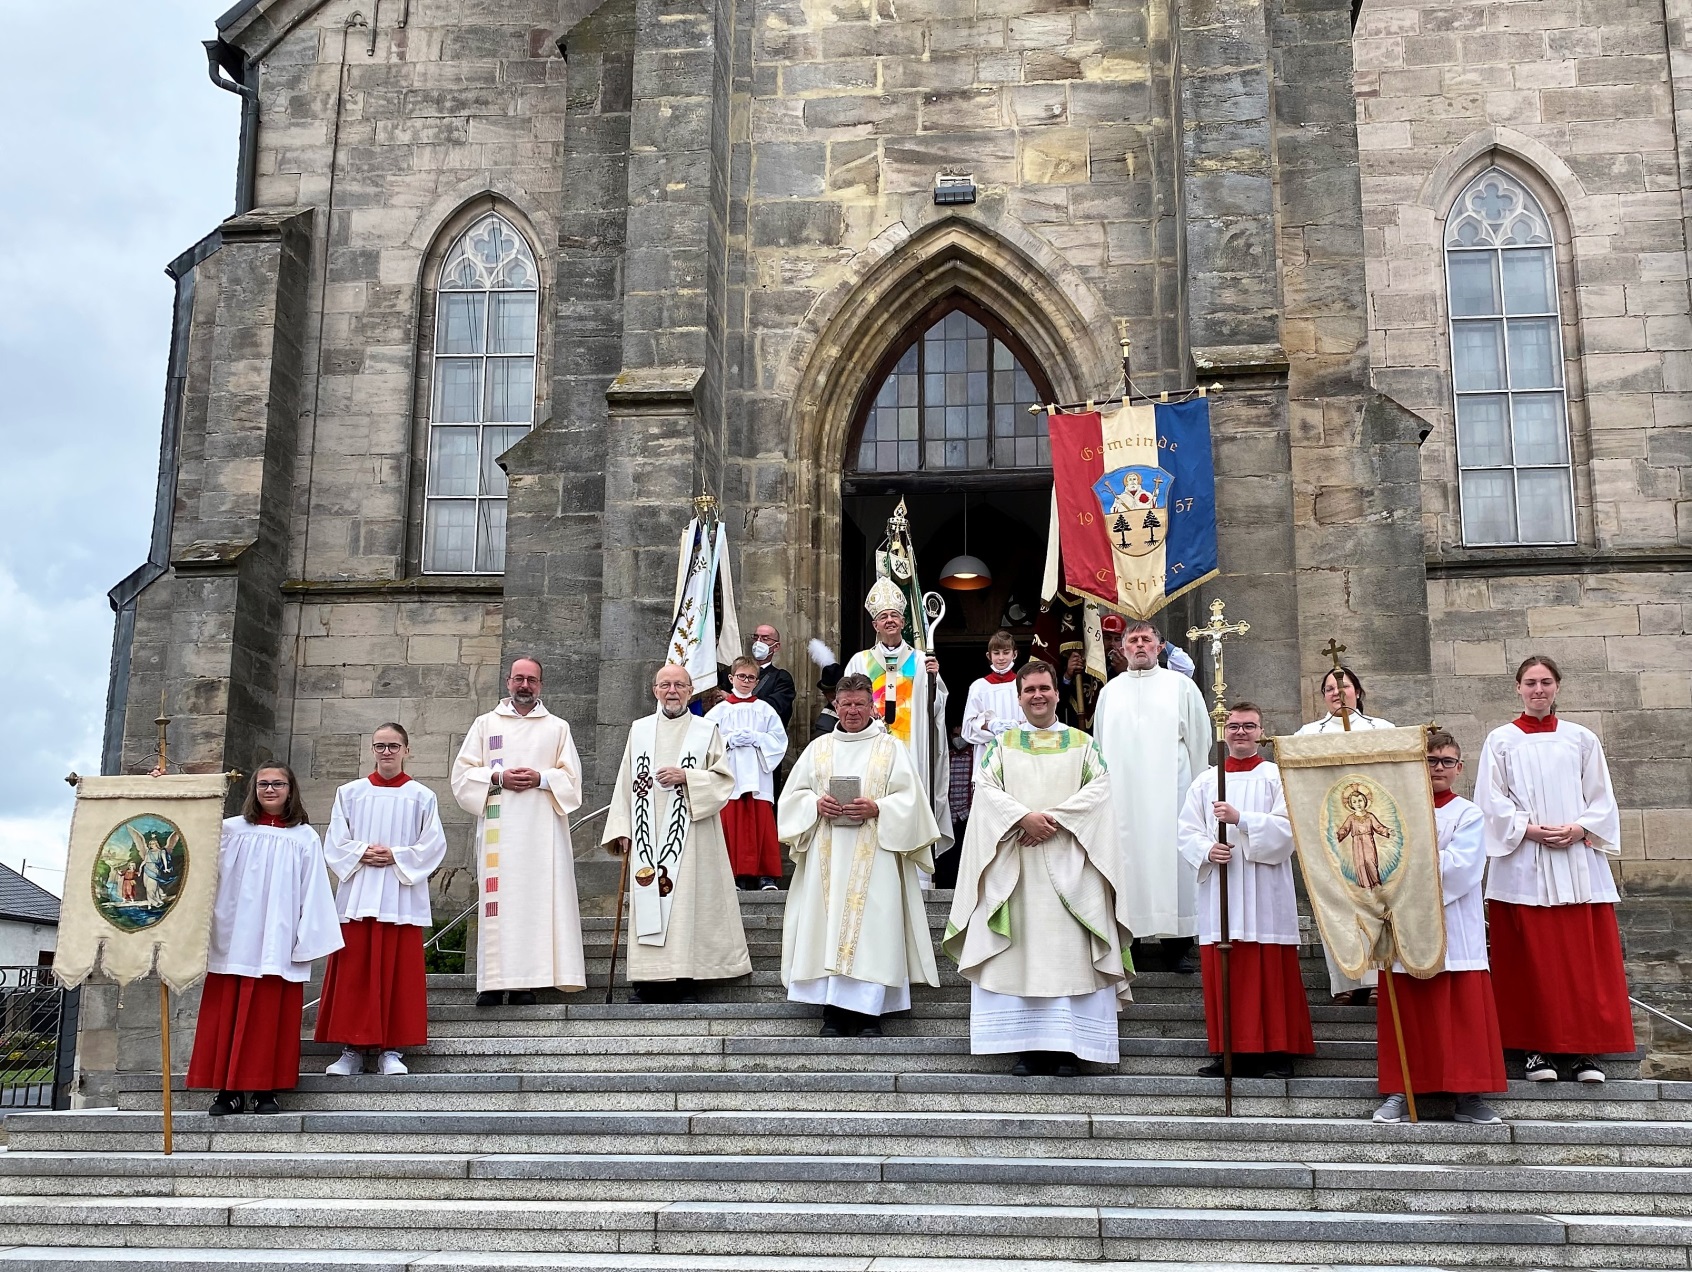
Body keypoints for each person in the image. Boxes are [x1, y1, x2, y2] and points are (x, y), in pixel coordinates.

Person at [945, 660, 1132, 1077]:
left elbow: (1099, 791)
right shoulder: (1002, 745)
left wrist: (1051, 820)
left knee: (1070, 956)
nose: (1038, 696)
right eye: (1029, 690)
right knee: (1022, 955)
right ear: (1019, 697)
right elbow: (986, 790)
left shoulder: (1082, 743)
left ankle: (1071, 1049)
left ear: (1056, 692)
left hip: (1072, 862)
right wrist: (1022, 818)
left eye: (1044, 688)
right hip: (1018, 867)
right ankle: (1027, 1047)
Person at [1476, 656, 1632, 1085]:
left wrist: (1581, 827)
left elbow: (1601, 796)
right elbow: (1491, 800)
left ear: (1557, 687)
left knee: (1582, 960)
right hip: (1524, 861)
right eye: (1530, 683)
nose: (1538, 689)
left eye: (1545, 682)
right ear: (1518, 688)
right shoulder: (1501, 740)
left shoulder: (1581, 739)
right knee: (1530, 961)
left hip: (1577, 858)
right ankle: (1534, 1048)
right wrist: (1527, 830)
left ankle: (1584, 1051)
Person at [777, 673, 942, 1036]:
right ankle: (833, 1013)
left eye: (859, 704)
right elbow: (792, 798)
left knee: (873, 930)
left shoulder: (891, 748)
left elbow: (911, 801)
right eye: (846, 704)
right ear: (835, 706)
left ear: (872, 706)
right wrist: (815, 804)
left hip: (876, 854)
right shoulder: (818, 749)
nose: (852, 711)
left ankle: (869, 1014)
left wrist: (879, 808)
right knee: (827, 925)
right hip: (827, 852)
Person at [184, 764, 343, 1116]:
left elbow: (314, 890)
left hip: (278, 939)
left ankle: (266, 1090)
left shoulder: (303, 837)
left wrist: (307, 940)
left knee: (271, 1018)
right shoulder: (229, 831)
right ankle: (227, 1092)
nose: (270, 789)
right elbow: (190, 848)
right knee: (228, 1014)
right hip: (234, 935)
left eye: (278, 784)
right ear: (254, 789)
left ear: (291, 789)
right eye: (263, 784)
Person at [1373, 730, 1506, 1124]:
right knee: (1409, 1010)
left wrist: (1410, 862)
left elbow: (1463, 867)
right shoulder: (1394, 812)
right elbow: (1381, 861)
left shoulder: (1468, 813)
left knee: (1462, 1013)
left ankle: (1469, 1095)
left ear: (1459, 768)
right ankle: (1400, 1090)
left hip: (1454, 924)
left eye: (1447, 761)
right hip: (1405, 922)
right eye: (1431, 761)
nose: (1438, 768)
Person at [1176, 702, 1312, 1079]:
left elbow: (1291, 828)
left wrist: (1243, 820)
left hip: (1265, 890)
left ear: (1261, 731)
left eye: (1248, 726)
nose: (1240, 732)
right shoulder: (1206, 780)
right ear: (1224, 732)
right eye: (1234, 726)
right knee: (1226, 970)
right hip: (1222, 886)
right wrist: (1207, 849)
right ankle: (1229, 1052)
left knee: (1270, 971)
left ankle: (1277, 1051)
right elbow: (1185, 830)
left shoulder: (1278, 777)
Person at [604, 663, 753, 1001]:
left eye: (679, 685)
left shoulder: (706, 730)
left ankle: (685, 975)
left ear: (690, 690)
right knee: (648, 897)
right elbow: (626, 780)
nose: (672, 691)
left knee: (685, 902)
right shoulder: (639, 730)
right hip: (646, 832)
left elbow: (724, 779)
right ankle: (647, 979)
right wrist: (622, 827)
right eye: (665, 685)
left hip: (693, 834)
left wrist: (688, 777)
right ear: (655, 690)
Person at [451, 656, 586, 1007]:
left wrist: (541, 778)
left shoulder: (556, 727)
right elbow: (462, 776)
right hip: (501, 832)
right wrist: (497, 777)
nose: (525, 686)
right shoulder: (485, 725)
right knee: (499, 904)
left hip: (542, 834)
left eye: (532, 680)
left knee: (535, 904)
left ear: (540, 685)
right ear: (508, 681)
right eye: (519, 679)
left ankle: (527, 983)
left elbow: (573, 782)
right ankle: (493, 984)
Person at [316, 723, 449, 1078]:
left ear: (407, 751)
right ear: (372, 750)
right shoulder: (350, 793)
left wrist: (397, 856)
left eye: (393, 746)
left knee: (397, 975)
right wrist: (361, 852)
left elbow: (433, 845)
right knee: (354, 974)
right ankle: (352, 1049)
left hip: (400, 897)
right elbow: (335, 841)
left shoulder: (422, 796)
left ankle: (391, 1050)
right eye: (380, 746)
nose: (386, 752)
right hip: (358, 896)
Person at [1092, 619, 1210, 971]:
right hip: (1122, 796)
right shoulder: (1109, 692)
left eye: (1147, 640)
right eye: (1133, 640)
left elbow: (1200, 742)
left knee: (1173, 864)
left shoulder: (1181, 687)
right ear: (1122, 648)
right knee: (1127, 866)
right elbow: (1099, 747)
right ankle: (1132, 945)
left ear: (1159, 648)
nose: (1140, 645)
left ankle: (1178, 946)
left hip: (1171, 795)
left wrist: (1197, 794)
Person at [1296, 665, 1393, 1006]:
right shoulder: (1308, 734)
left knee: (1378, 903)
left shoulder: (1382, 729)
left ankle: (1382, 978)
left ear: (1358, 691)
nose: (1337, 692)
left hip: (1374, 836)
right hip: (1333, 836)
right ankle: (1346, 981)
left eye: (1344, 686)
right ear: (1323, 697)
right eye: (1330, 689)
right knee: (1337, 905)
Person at [844, 578, 953, 857]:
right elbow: (847, 706)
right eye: (883, 617)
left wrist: (934, 680)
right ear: (875, 625)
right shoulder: (859, 661)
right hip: (871, 749)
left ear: (903, 622)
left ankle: (917, 863)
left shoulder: (920, 660)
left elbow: (937, 709)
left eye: (894, 615)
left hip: (912, 750)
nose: (889, 620)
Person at [705, 656, 789, 890]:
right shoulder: (718, 712)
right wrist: (728, 741)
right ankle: (733, 875)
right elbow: (705, 743)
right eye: (741, 676)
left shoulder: (765, 710)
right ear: (732, 678)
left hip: (758, 776)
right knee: (731, 823)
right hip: (730, 776)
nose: (746, 681)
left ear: (757, 680)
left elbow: (779, 740)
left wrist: (758, 738)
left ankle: (766, 876)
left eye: (751, 677)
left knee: (761, 822)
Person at [960, 631, 1027, 771]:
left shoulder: (1024, 684)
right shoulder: (978, 687)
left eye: (1006, 652)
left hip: (1019, 754)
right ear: (989, 656)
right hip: (987, 755)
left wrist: (1014, 728)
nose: (1001, 658)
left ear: (1014, 654)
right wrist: (993, 727)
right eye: (996, 653)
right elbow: (967, 729)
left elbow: (1032, 722)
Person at [937, 723, 974, 890]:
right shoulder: (947, 758)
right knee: (948, 855)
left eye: (961, 735)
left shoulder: (975, 756)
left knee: (966, 854)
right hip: (949, 816)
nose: (958, 740)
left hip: (968, 816)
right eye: (954, 736)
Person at [751, 623, 796, 727]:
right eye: (756, 637)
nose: (758, 642)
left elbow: (776, 709)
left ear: (776, 647)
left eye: (765, 639)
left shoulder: (781, 678)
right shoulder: (734, 672)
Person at [809, 640, 844, 735]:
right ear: (824, 694)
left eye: (837, 692)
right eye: (830, 695)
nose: (835, 698)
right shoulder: (824, 724)